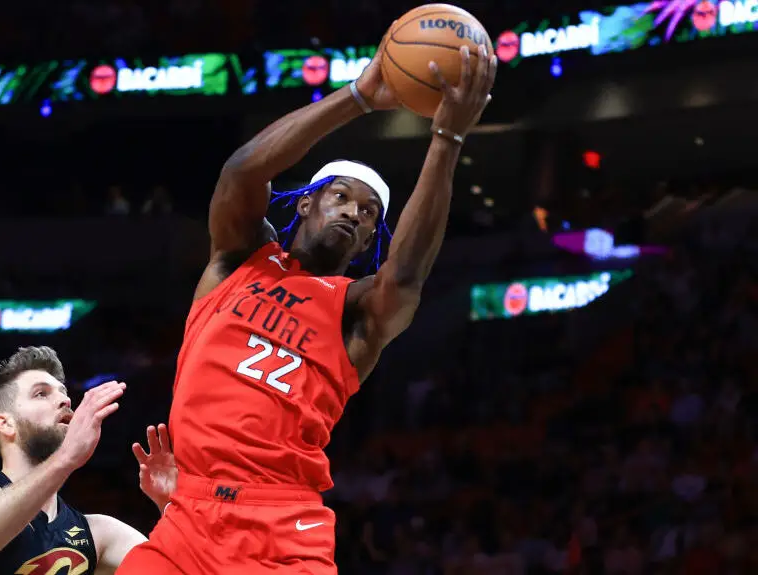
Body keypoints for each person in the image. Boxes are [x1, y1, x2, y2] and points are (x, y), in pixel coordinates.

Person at [117, 40, 497, 574]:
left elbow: (406, 274)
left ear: (368, 242)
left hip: (281, 530)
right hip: (187, 515)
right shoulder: (239, 260)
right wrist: (358, 96)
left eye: (368, 214)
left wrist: (447, 137)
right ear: (305, 202)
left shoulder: (355, 313)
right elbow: (241, 175)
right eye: (340, 196)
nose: (352, 213)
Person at [0, 346, 178, 575]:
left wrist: (171, 507)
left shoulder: (97, 532)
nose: (66, 401)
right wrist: (67, 457)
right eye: (41, 394)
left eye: (64, 393)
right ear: (6, 423)